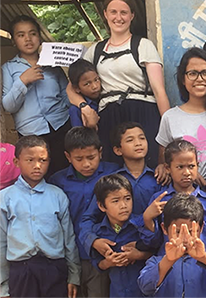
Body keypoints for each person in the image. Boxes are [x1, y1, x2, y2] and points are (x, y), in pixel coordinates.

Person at [75, 0, 170, 168]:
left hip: (143, 112)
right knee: (114, 171)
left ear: (132, 15)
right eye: (113, 12)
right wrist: (84, 108)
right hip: (109, 117)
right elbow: (72, 88)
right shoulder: (95, 51)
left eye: (124, 12)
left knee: (149, 168)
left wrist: (168, 130)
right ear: (105, 14)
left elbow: (159, 91)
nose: (118, 17)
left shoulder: (143, 45)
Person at [142, 138, 206, 297]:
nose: (186, 172)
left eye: (191, 166)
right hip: (170, 271)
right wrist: (148, 219)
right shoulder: (159, 201)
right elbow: (153, 243)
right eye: (180, 167)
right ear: (167, 168)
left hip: (202, 270)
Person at [0, 135, 80, 298]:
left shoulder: (57, 195)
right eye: (30, 160)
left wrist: (74, 275)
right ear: (17, 162)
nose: (37, 166)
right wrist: (3, 284)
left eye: (43, 160)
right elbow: (1, 242)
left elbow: (68, 239)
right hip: (21, 271)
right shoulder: (5, 198)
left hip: (54, 269)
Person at [49, 127, 119, 298]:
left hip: (103, 253)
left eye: (91, 157)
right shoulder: (58, 182)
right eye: (79, 159)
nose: (86, 164)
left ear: (100, 153)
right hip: (72, 254)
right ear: (68, 157)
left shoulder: (114, 172)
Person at [80, 122, 163, 261]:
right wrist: (93, 241)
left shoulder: (159, 178)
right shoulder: (112, 182)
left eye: (142, 138)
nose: (138, 143)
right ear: (118, 150)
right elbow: (88, 218)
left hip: (153, 251)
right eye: (130, 140)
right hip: (120, 252)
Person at [2, 15, 71, 175]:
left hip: (60, 127)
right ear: (14, 41)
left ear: (39, 37)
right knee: (38, 177)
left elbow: (66, 94)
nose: (28, 39)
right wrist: (22, 81)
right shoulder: (9, 68)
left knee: (64, 173)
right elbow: (8, 106)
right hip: (30, 133)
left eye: (32, 33)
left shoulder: (52, 64)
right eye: (21, 35)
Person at [156, 47, 206, 186]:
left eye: (205, 73)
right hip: (185, 196)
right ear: (183, 79)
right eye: (192, 73)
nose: (199, 79)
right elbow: (164, 162)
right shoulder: (170, 117)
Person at [138, 194, 206, 297]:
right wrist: (168, 261)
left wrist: (203, 257)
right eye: (178, 232)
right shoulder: (157, 261)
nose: (185, 238)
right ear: (164, 229)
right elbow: (145, 287)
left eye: (191, 231)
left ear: (201, 228)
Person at [90, 174, 153, 298]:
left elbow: (158, 253)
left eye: (127, 198)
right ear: (102, 206)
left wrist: (139, 255)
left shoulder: (141, 225)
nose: (123, 205)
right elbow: (97, 264)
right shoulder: (99, 233)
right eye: (115, 201)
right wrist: (108, 262)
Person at [67, 59, 101, 128]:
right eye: (87, 84)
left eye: (96, 80)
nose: (95, 86)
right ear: (77, 88)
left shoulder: (105, 98)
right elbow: (79, 137)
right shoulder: (75, 110)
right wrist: (91, 127)